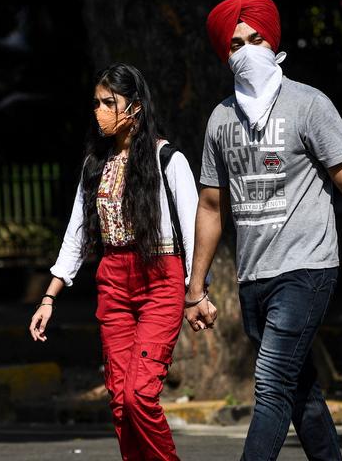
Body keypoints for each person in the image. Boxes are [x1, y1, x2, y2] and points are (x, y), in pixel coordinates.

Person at [184, 0, 342, 461]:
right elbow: (210, 205)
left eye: (256, 40)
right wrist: (195, 285)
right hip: (253, 278)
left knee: (271, 384)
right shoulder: (221, 119)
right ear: (226, 54)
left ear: (273, 42)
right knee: (300, 393)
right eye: (237, 44)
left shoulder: (309, 105)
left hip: (307, 269)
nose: (248, 51)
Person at [29, 63, 212, 460]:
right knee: (118, 399)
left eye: (109, 103)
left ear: (135, 108)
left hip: (161, 278)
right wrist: (49, 297)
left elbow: (196, 228)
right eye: (96, 103)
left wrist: (197, 292)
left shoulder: (169, 160)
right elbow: (76, 233)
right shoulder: (94, 165)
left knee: (139, 396)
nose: (99, 111)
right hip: (112, 280)